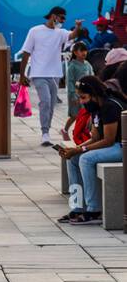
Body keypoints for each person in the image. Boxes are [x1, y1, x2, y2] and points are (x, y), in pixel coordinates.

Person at [58, 76, 123, 225]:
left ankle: (94, 210)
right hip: (112, 146)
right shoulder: (96, 108)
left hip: (121, 147)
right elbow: (95, 137)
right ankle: (77, 207)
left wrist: (82, 150)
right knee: (73, 158)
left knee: (85, 159)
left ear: (94, 94)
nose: (81, 101)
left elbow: (108, 140)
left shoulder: (109, 106)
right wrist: (76, 149)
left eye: (83, 97)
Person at [18, 6, 72, 146]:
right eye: (61, 17)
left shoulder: (60, 32)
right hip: (39, 73)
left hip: (55, 74)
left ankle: (46, 130)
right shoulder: (35, 31)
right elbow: (26, 53)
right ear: (53, 16)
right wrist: (22, 74)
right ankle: (45, 133)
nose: (63, 21)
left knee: (52, 104)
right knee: (45, 101)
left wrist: (78, 27)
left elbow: (72, 35)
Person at [64, 39, 93, 107]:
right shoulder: (72, 66)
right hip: (76, 94)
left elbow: (92, 76)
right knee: (75, 115)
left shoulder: (88, 64)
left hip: (87, 93)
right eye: (81, 51)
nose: (84, 53)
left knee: (85, 114)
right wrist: (73, 94)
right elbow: (69, 81)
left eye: (85, 50)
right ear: (75, 52)